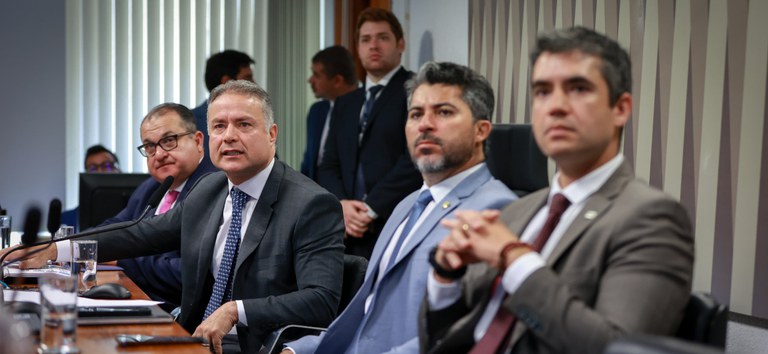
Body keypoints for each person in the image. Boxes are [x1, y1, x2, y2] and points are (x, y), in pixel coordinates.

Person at [9, 80, 345, 354]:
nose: (229, 135)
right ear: (210, 136)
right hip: (190, 336)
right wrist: (55, 249)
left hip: (254, 345)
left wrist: (235, 310)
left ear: (272, 134)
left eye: (244, 124)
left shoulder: (311, 204)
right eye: (219, 125)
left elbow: (322, 300)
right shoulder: (210, 189)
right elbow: (138, 234)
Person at [420, 27, 695, 354]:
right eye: (542, 92)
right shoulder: (518, 210)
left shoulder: (652, 217)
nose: (556, 106)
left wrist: (515, 258)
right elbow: (445, 337)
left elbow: (617, 348)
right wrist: (446, 276)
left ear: (620, 109)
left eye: (578, 88)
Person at [284, 62, 517, 354]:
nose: (425, 124)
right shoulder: (406, 205)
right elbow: (366, 314)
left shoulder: (497, 210)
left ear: (481, 130)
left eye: (443, 112)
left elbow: (466, 331)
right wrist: (300, 349)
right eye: (416, 114)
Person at [318, 8, 422, 259]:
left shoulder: (417, 91)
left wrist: (370, 208)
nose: (373, 45)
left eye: (382, 38)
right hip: (346, 228)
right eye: (366, 39)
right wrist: (341, 205)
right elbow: (328, 164)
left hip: (395, 220)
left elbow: (415, 158)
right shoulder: (345, 103)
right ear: (357, 48)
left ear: (401, 44)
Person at [98, 103, 217, 311]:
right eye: (150, 146)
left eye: (169, 141)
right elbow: (115, 228)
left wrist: (124, 258)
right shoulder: (152, 187)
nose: (159, 154)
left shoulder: (212, 188)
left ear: (198, 141)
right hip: (143, 304)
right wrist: (63, 248)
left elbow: (186, 276)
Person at [300, 45, 358, 181]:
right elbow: (308, 162)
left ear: (337, 80)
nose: (310, 80)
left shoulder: (363, 109)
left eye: (316, 75)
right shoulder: (316, 111)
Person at [192, 50, 256, 171]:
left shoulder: (258, 118)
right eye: (248, 78)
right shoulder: (189, 124)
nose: (254, 84)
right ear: (227, 82)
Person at [61, 144, 122, 228]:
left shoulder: (135, 213)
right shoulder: (67, 219)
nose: (100, 172)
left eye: (107, 166)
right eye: (93, 168)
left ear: (119, 170)